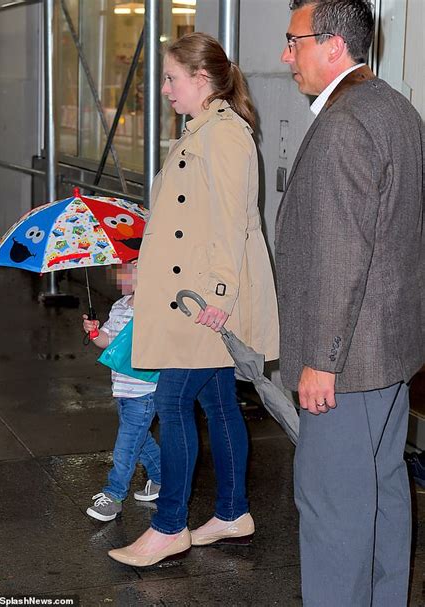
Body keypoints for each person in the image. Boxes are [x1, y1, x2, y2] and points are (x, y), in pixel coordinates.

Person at [108, 32, 279, 567]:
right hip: (192, 297)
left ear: (201, 80)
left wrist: (220, 297)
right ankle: (231, 513)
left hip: (203, 303)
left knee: (172, 403)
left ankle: (169, 525)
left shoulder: (223, 136)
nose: (164, 89)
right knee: (217, 402)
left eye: (171, 78)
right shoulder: (201, 132)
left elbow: (232, 225)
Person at [276, 1, 424, 605]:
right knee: (384, 486)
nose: (286, 56)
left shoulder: (344, 124)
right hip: (389, 353)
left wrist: (322, 360)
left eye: (294, 42)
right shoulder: (395, 108)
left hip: (348, 362)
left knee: (333, 502)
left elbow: (342, 253)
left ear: (333, 45)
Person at [82, 264, 161, 522]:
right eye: (120, 271)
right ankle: (163, 477)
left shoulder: (154, 308)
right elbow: (107, 341)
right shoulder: (119, 306)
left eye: (130, 270)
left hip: (144, 391)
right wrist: (94, 332)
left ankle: (114, 496)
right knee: (140, 440)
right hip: (122, 390)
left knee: (126, 446)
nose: (122, 276)